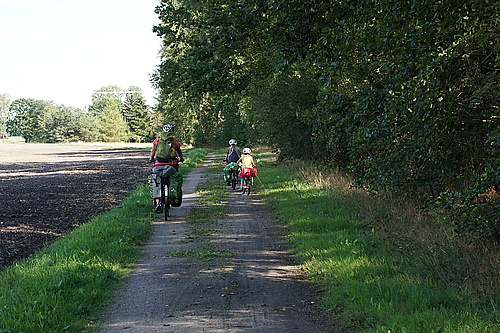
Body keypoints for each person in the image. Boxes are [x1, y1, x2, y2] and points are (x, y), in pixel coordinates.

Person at [149, 124, 184, 212]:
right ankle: (173, 198)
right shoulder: (174, 141)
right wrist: (181, 159)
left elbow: (153, 151)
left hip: (158, 165)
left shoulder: (157, 140)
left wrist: (151, 159)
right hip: (172, 165)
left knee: (157, 179)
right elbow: (179, 152)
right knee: (173, 177)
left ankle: (157, 201)